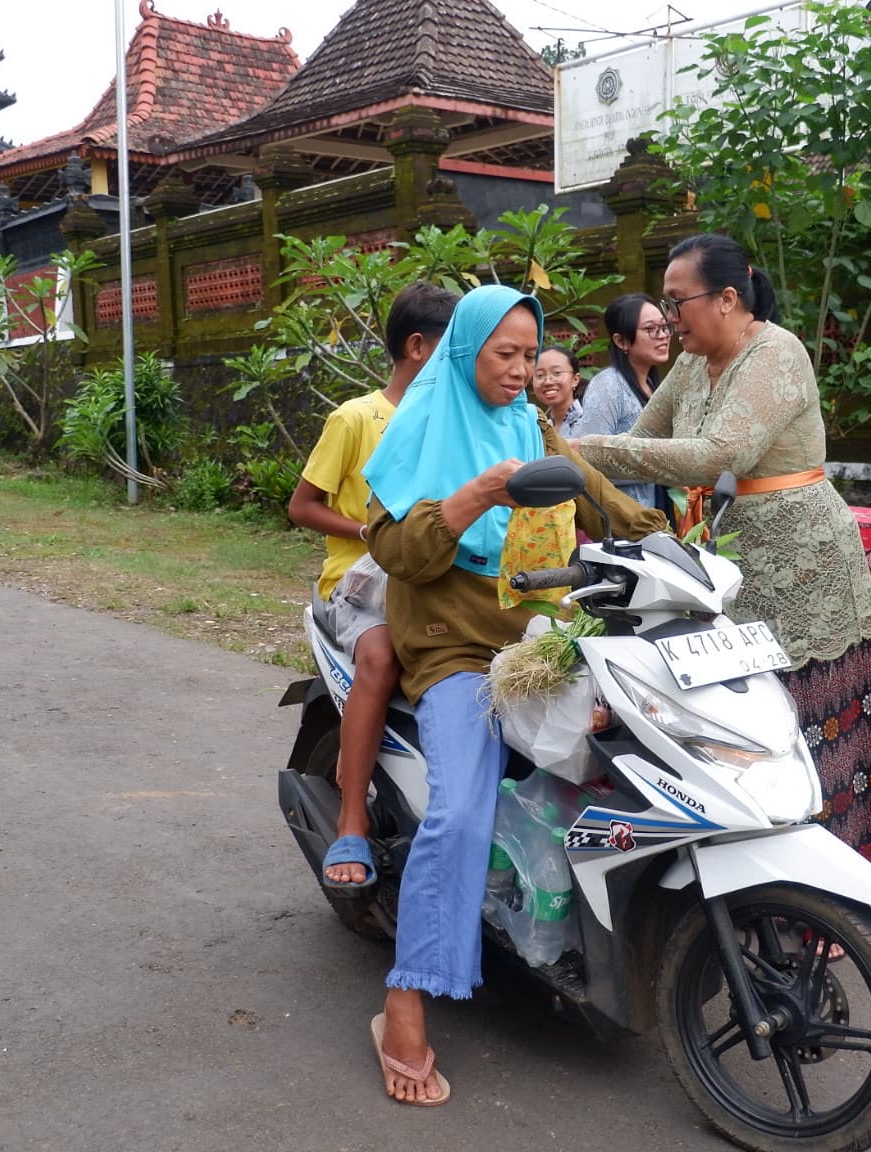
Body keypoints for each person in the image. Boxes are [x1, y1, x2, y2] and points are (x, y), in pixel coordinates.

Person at [361, 284, 668, 1106]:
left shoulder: (527, 424)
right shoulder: (419, 424)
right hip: (456, 647)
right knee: (459, 809)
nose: (523, 371)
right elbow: (397, 553)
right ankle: (405, 996)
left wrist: (663, 540)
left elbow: (584, 484)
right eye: (507, 354)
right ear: (465, 353)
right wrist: (474, 499)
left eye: (532, 355)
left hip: (542, 634)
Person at [574, 233, 871, 887]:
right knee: (743, 729)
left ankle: (830, 889)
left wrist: (583, 446)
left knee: (815, 728)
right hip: (728, 566)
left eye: (678, 303)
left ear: (728, 298)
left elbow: (713, 456)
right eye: (666, 306)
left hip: (808, 570)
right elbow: (639, 444)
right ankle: (755, 883)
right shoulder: (692, 364)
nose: (671, 320)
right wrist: (570, 463)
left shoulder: (775, 354)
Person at [286, 282, 457, 888]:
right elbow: (301, 506)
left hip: (432, 574)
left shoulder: (455, 421)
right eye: (452, 346)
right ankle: (353, 818)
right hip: (361, 579)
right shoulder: (356, 418)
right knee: (381, 659)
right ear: (417, 347)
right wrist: (368, 529)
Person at [567, 293, 671, 510]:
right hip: (622, 522)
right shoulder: (608, 386)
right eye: (650, 329)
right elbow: (588, 461)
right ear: (621, 340)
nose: (663, 335)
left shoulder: (654, 387)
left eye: (665, 326)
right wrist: (658, 466)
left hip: (655, 515)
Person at [529, 345, 582, 435]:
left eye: (557, 373)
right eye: (540, 375)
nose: (548, 382)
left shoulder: (588, 422)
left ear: (575, 380)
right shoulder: (536, 428)